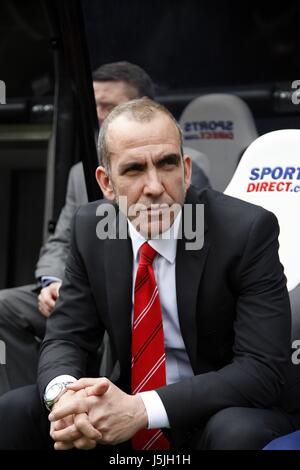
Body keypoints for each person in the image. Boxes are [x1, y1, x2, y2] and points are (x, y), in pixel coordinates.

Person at [0, 98, 294, 450]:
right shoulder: (92, 229)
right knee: (17, 410)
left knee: (235, 432)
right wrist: (65, 398)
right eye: (134, 169)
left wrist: (141, 409)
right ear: (106, 183)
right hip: (124, 409)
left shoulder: (245, 231)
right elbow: (67, 337)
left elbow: (260, 371)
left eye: (167, 164)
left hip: (218, 410)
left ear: (186, 170)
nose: (154, 186)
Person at [0, 61, 210, 396]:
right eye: (94, 105)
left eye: (108, 106)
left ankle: (117, 401)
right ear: (105, 180)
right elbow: (61, 239)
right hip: (77, 285)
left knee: (122, 307)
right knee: (7, 307)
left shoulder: (184, 167)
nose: (97, 115)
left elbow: (181, 241)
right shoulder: (79, 172)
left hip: (140, 285)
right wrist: (54, 283)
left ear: (143, 109)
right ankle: (46, 399)